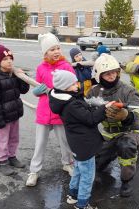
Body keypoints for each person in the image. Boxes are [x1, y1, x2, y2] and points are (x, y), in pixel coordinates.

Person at [86, 54, 139, 197]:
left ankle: (126, 181)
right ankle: (109, 155)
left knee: (126, 146)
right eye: (107, 73)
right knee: (95, 164)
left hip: (130, 132)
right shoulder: (93, 92)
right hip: (108, 134)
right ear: (99, 75)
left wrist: (127, 116)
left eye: (114, 72)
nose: (111, 76)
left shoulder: (128, 91)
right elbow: (86, 114)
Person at [49, 70, 113, 209]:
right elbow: (91, 119)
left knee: (78, 170)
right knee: (88, 176)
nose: (77, 85)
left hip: (77, 143)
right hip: (85, 144)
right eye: (73, 84)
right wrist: (103, 108)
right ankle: (82, 204)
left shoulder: (63, 99)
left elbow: (82, 110)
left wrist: (91, 104)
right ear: (65, 88)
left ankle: (72, 195)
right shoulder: (71, 104)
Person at [26, 33, 74, 187]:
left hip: (60, 112)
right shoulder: (41, 68)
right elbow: (36, 86)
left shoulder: (66, 66)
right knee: (40, 143)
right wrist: (37, 91)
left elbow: (74, 87)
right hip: (44, 112)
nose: (56, 51)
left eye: (58, 48)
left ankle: (67, 163)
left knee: (65, 141)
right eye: (52, 49)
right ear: (45, 53)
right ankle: (34, 171)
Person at [0, 45, 30, 175]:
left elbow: (24, 90)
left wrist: (22, 77)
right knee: (3, 140)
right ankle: (2, 162)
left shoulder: (13, 74)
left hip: (14, 113)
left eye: (10, 58)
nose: (9, 61)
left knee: (14, 138)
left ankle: (12, 156)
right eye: (5, 59)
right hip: (3, 116)